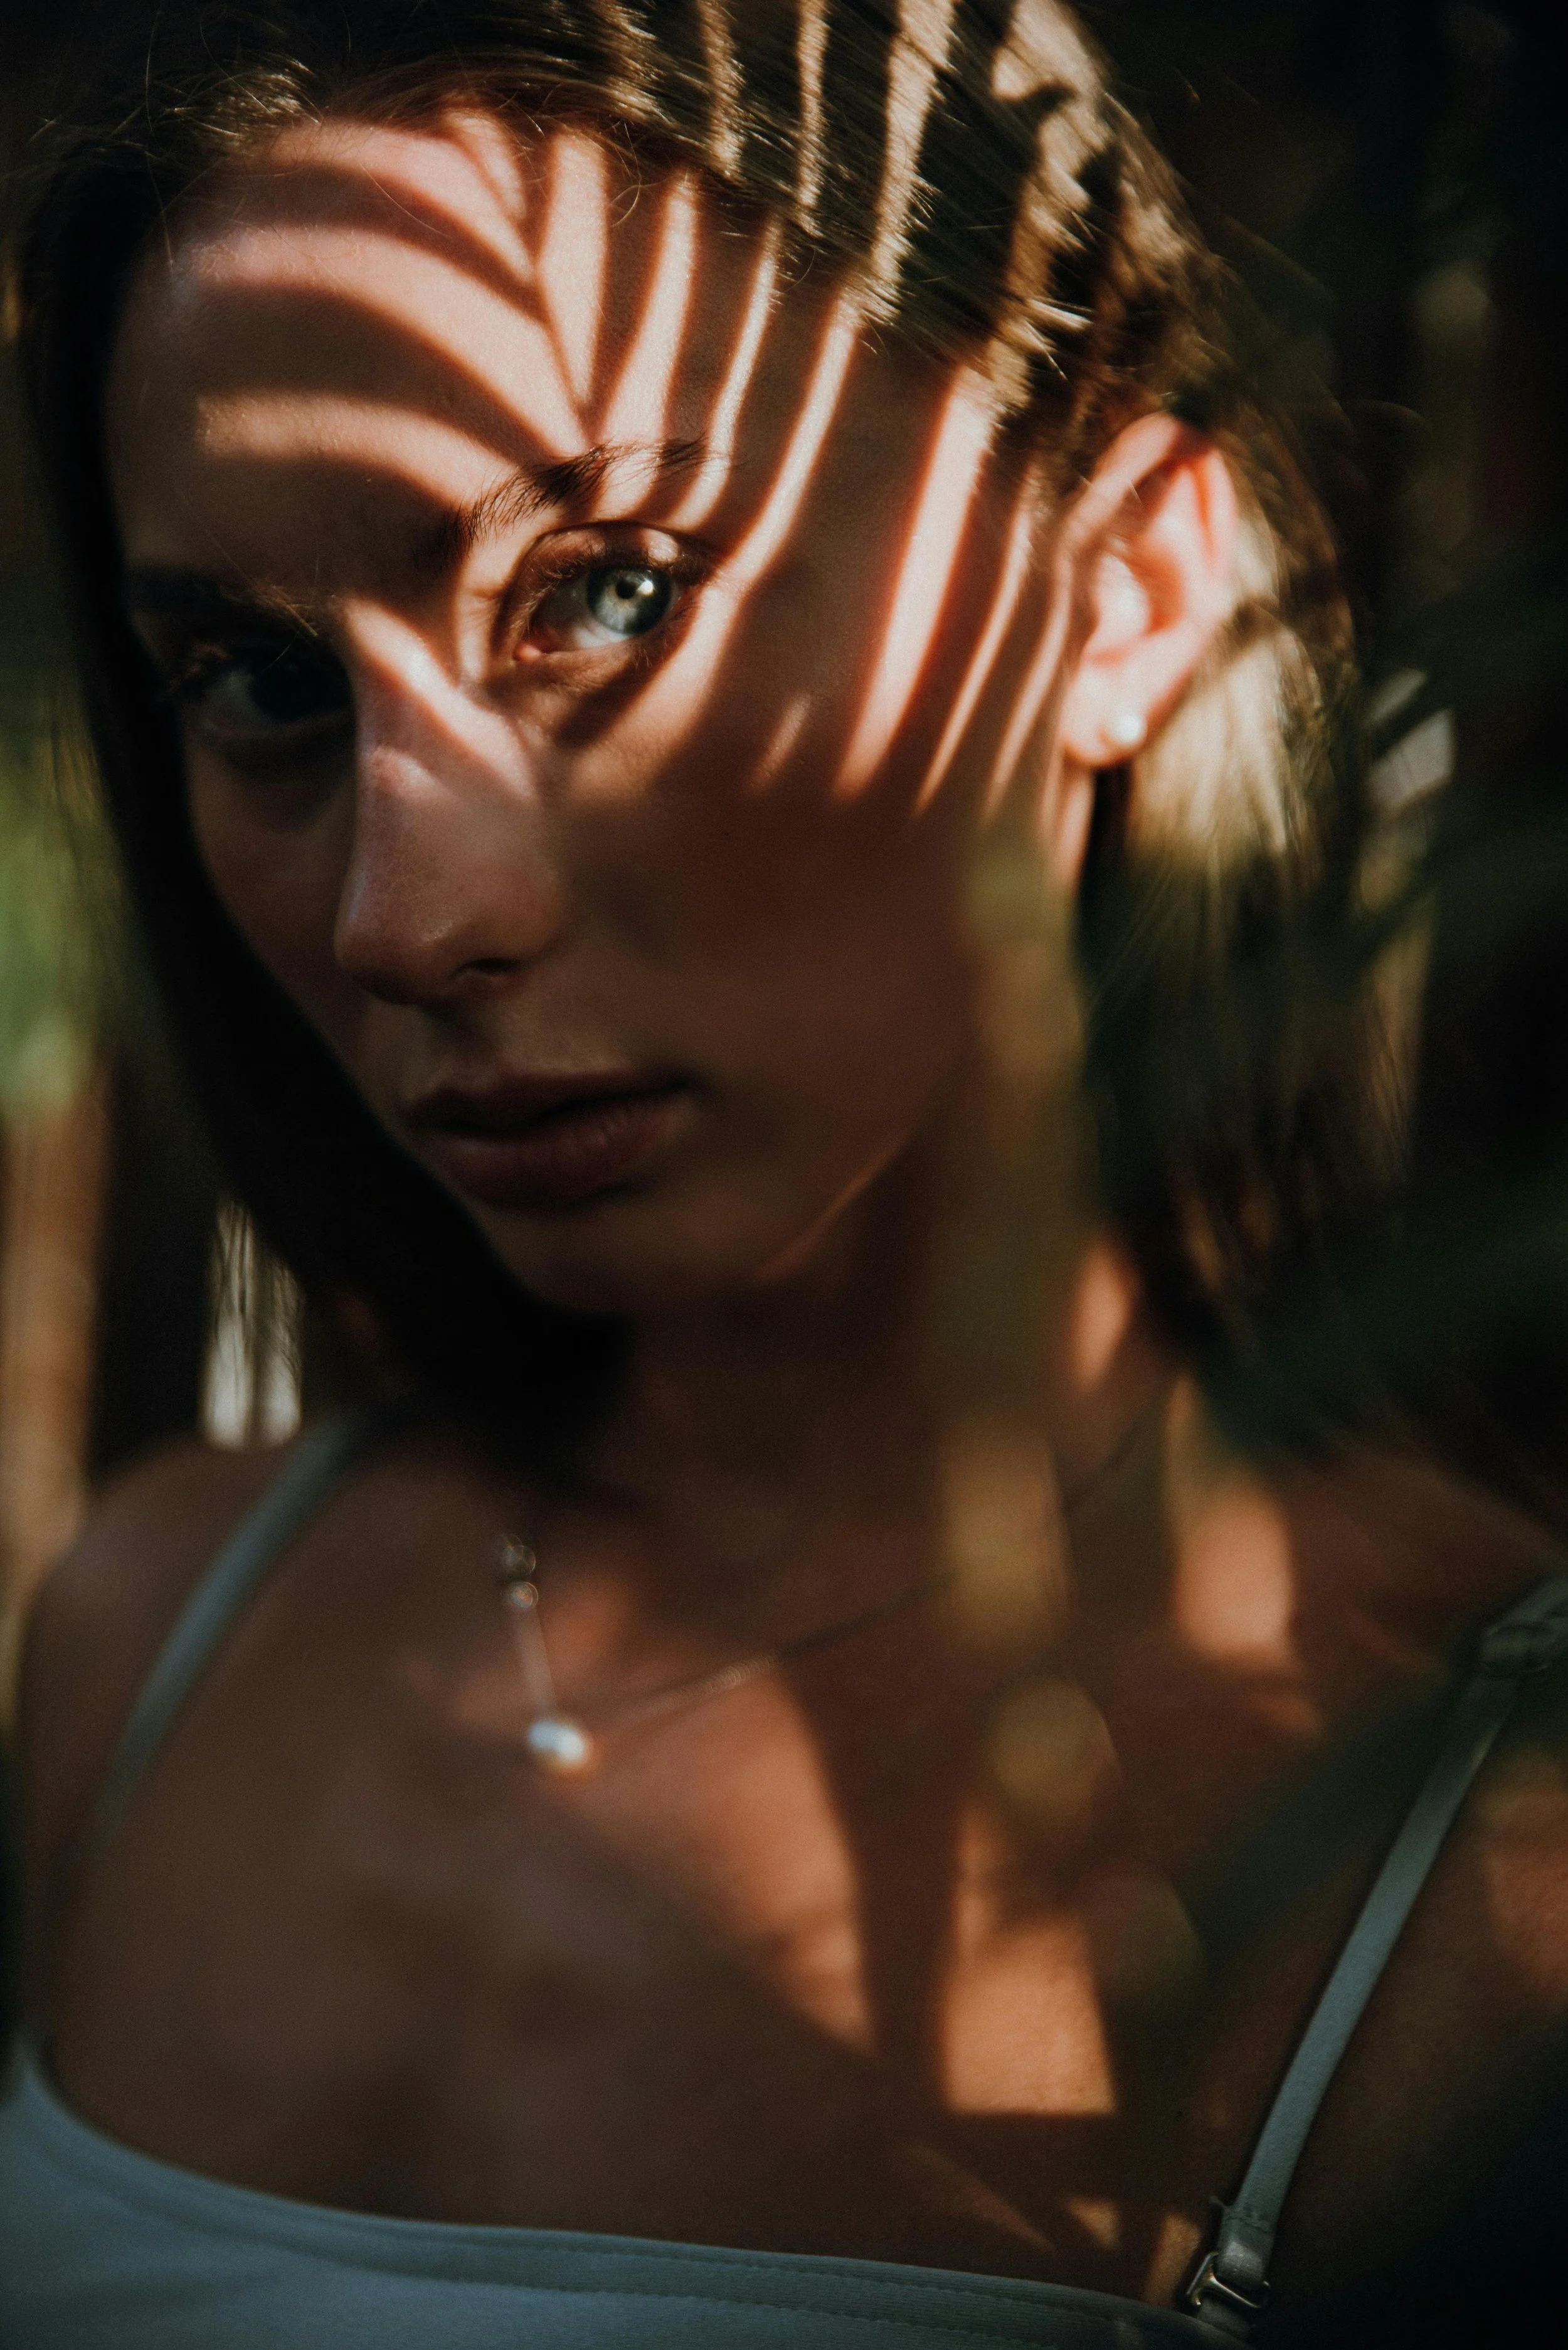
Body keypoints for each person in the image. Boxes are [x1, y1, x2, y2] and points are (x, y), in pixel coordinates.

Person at [3, 4, 1567, 2344]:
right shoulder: (145, 1637)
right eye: (256, 675)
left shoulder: (1460, 1845)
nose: (401, 918)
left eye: (607, 591)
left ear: (1128, 583)